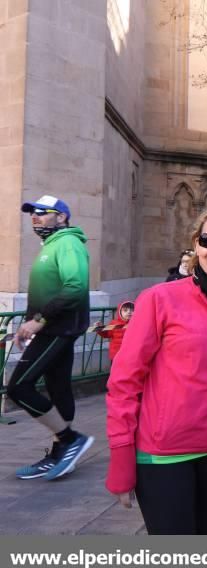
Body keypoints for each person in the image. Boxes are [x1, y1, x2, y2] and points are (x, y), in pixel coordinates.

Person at [105, 207, 207, 534]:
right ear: (196, 244)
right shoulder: (159, 299)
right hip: (165, 455)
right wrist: (120, 454)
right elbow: (124, 382)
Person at [10, 195, 93, 481]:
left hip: (59, 328)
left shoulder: (68, 243)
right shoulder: (53, 245)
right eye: (32, 212)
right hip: (52, 327)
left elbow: (75, 287)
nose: (35, 216)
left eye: (43, 212)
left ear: (62, 217)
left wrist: (39, 321)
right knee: (59, 389)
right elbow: (50, 290)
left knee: (19, 387)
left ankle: (69, 439)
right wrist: (28, 324)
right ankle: (61, 452)